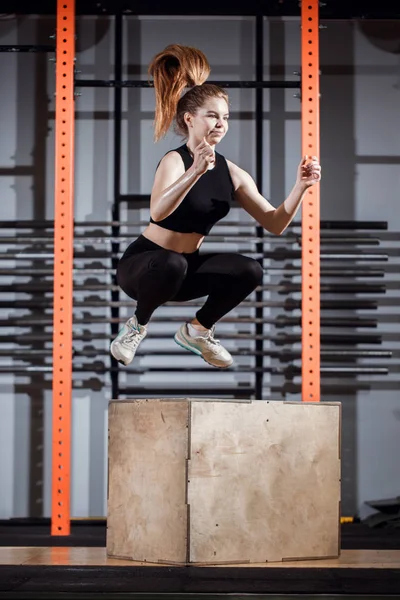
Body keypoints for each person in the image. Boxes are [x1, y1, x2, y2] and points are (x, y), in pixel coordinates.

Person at [110, 43, 321, 369]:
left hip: (183, 273)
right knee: (171, 263)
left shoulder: (232, 172)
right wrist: (195, 170)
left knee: (250, 269)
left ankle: (198, 330)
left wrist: (301, 187)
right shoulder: (175, 160)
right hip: (144, 268)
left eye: (225, 117)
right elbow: (158, 212)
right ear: (190, 118)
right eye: (212, 116)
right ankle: (136, 326)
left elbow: (275, 222)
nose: (221, 124)